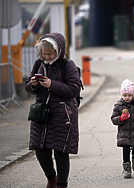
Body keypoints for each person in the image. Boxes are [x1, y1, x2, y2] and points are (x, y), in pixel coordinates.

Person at [25, 32, 81, 188]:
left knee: (60, 151)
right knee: (40, 151)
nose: (46, 57)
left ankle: (62, 185)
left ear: (58, 51)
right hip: (41, 115)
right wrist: (34, 84)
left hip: (62, 115)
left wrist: (52, 85)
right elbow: (28, 87)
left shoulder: (67, 64)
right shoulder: (39, 63)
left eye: (49, 54)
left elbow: (74, 89)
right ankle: (51, 178)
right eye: (44, 54)